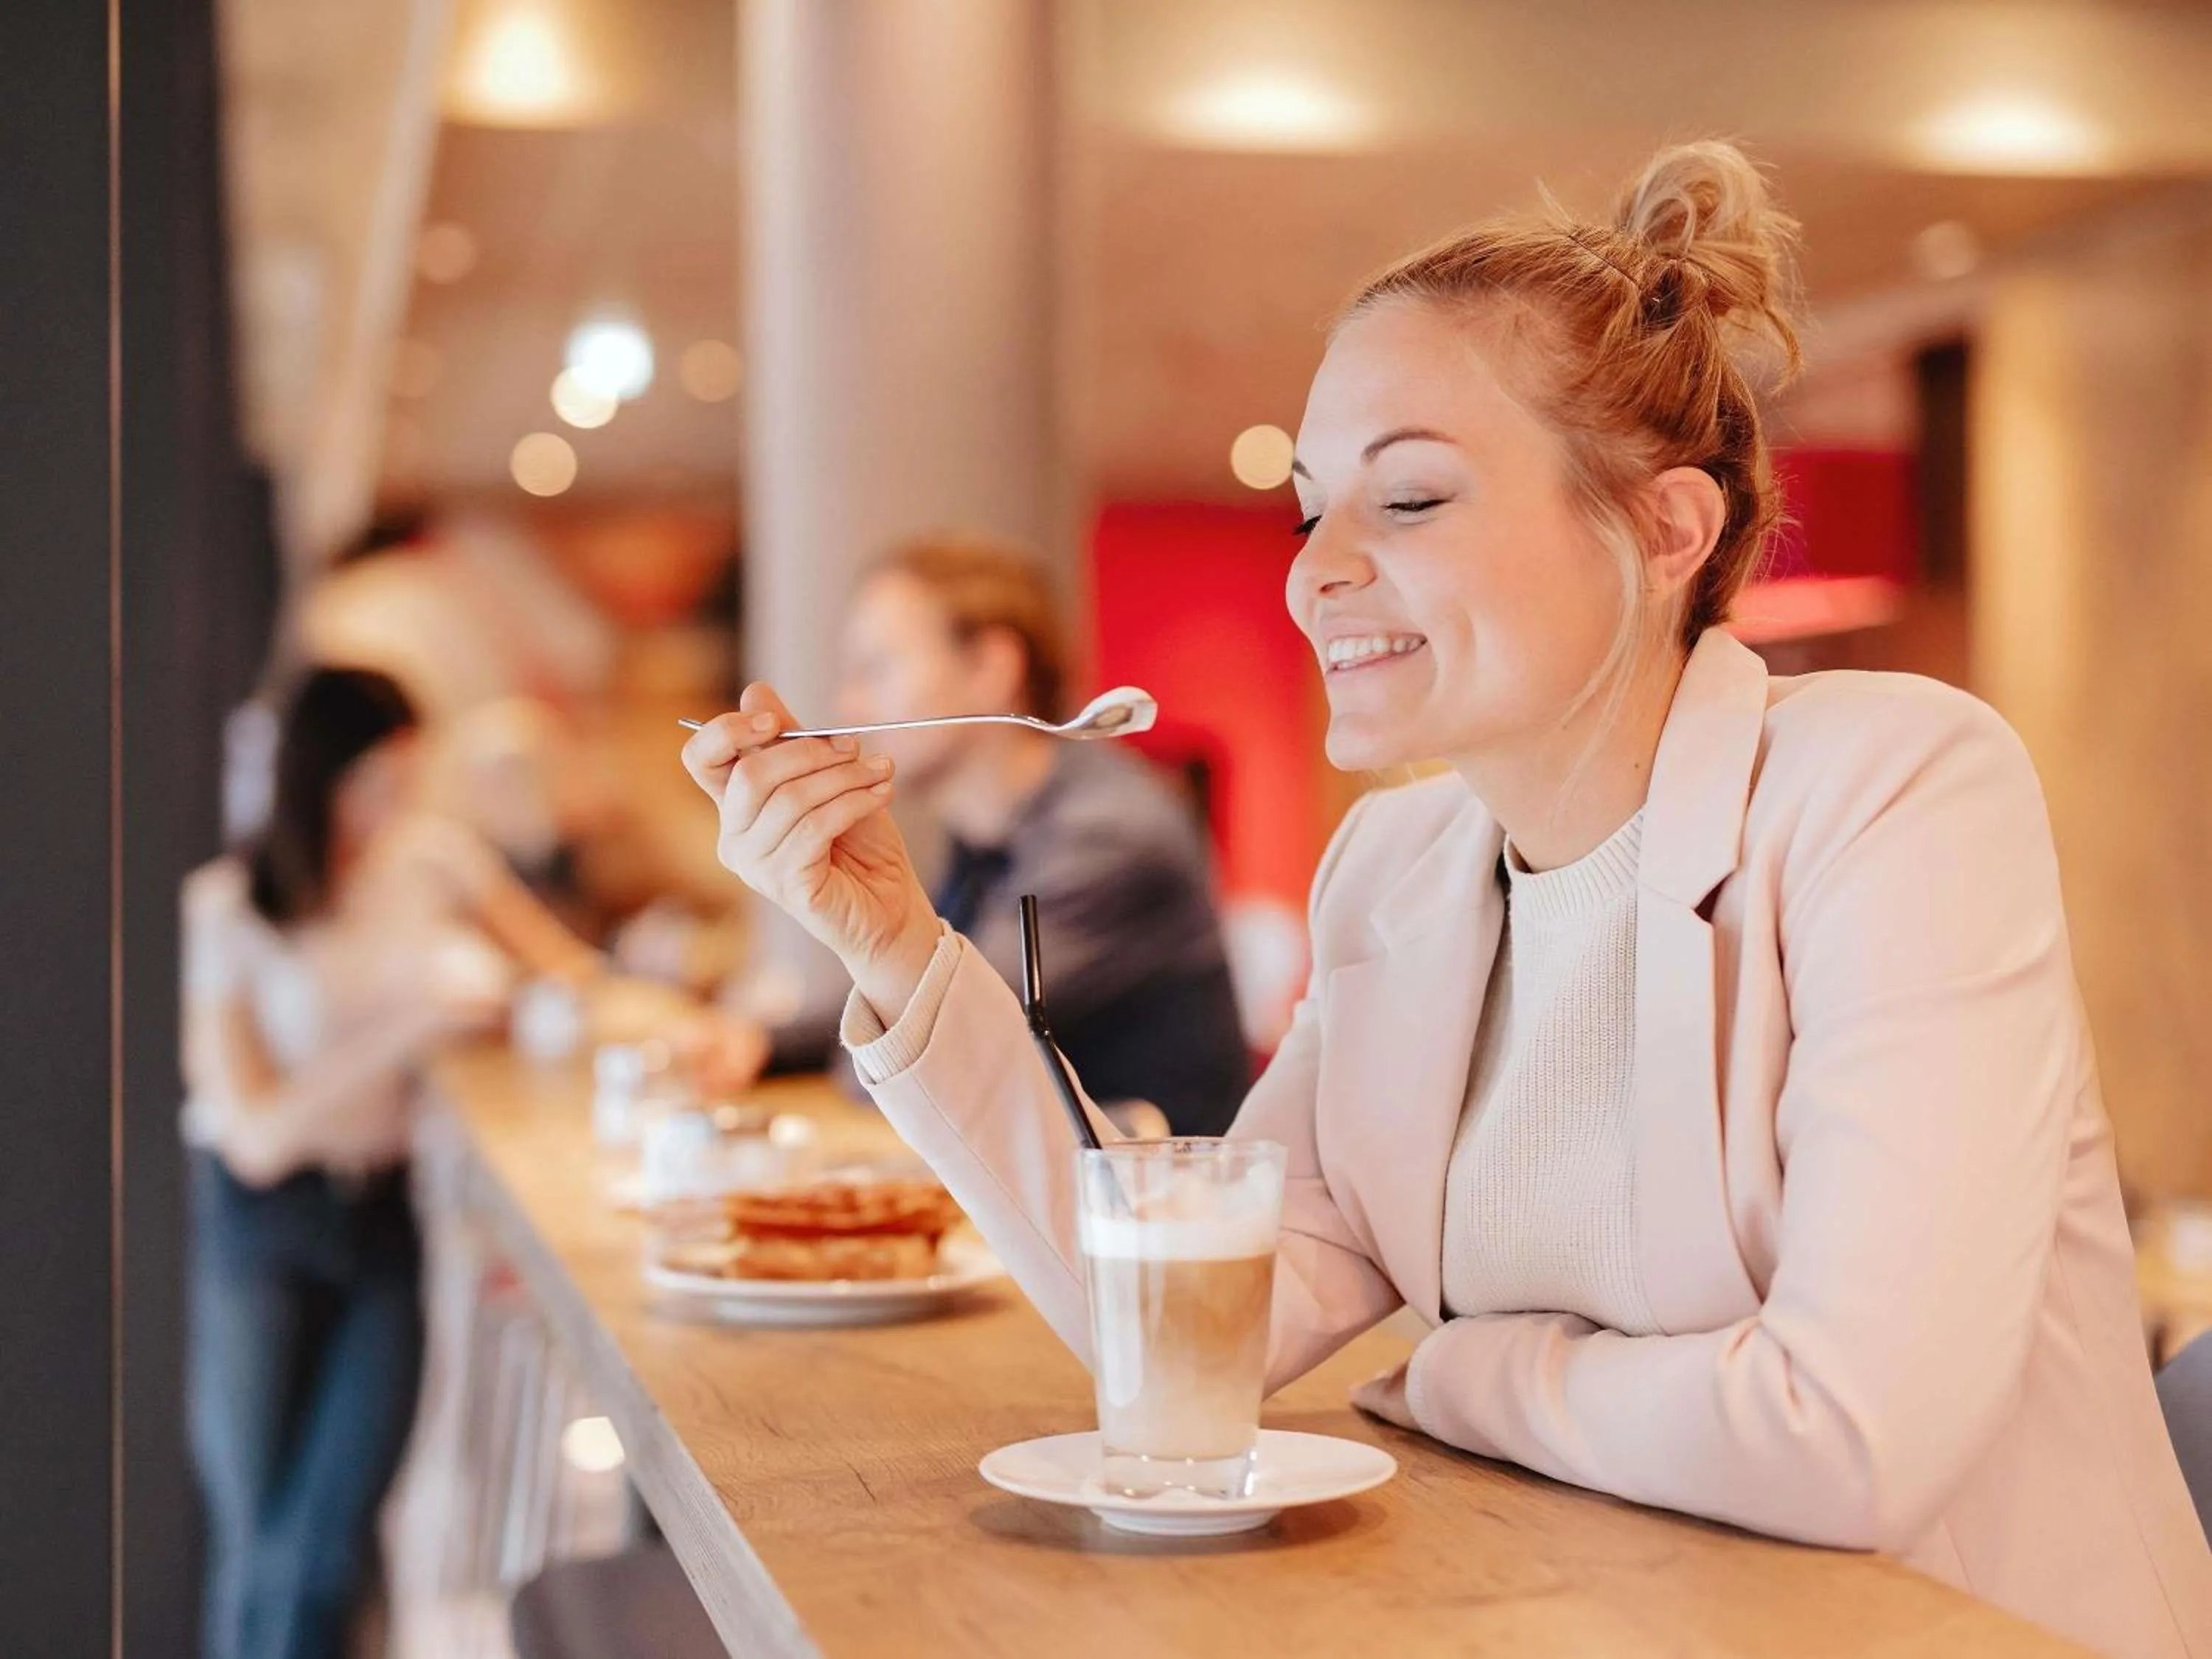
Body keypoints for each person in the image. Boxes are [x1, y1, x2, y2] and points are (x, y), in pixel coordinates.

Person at [684, 141, 2212, 1656]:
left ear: (1668, 534)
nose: (1313, 574)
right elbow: (1181, 1330)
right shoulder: (1398, 874)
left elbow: (1848, 1436)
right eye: (1308, 510)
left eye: (1407, 501)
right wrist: (891, 941)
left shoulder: (1897, 792)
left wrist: (1462, 1372)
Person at [183, 667, 600, 1659]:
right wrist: (410, 1031)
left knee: (336, 1535)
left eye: (406, 779)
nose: (394, 805)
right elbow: (256, 1130)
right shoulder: (230, 906)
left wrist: (516, 1015)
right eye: (376, 780)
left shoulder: (433, 861)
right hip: (261, 1225)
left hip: (382, 1219)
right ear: (318, 774)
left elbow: (573, 977)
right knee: (261, 1542)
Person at [706, 535, 1251, 1136]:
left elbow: (939, 1034)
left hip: (1153, 1211)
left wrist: (843, 1055)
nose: (849, 701)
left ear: (991, 668)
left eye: (876, 669)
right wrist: (765, 1043)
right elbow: (920, 991)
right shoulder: (988, 832)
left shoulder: (1106, 837)